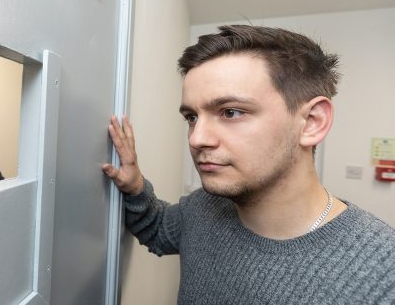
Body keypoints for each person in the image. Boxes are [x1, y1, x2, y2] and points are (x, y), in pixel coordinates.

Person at [102, 25, 395, 304]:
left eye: (230, 112)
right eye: (192, 117)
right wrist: (134, 185)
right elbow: (157, 229)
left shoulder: (381, 271)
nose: (197, 139)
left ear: (312, 123)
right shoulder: (204, 207)